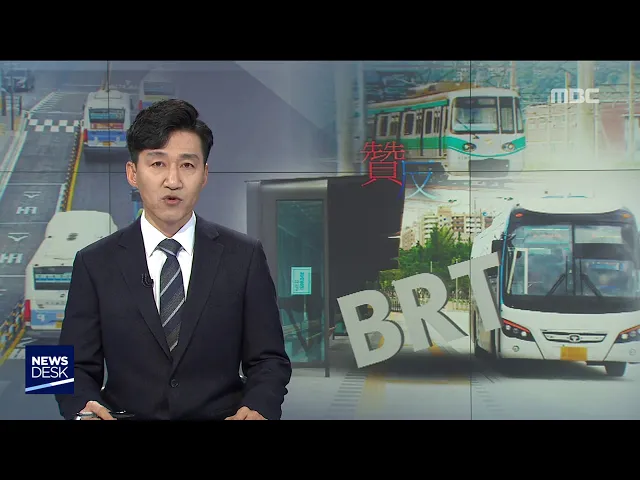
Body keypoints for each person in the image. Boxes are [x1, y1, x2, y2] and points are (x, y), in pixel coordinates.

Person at [55, 99, 292, 420]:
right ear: (132, 173)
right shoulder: (93, 262)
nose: (173, 181)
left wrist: (260, 406)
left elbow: (270, 360)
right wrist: (81, 407)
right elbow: (66, 365)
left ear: (204, 174)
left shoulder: (244, 256)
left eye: (187, 165)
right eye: (157, 164)